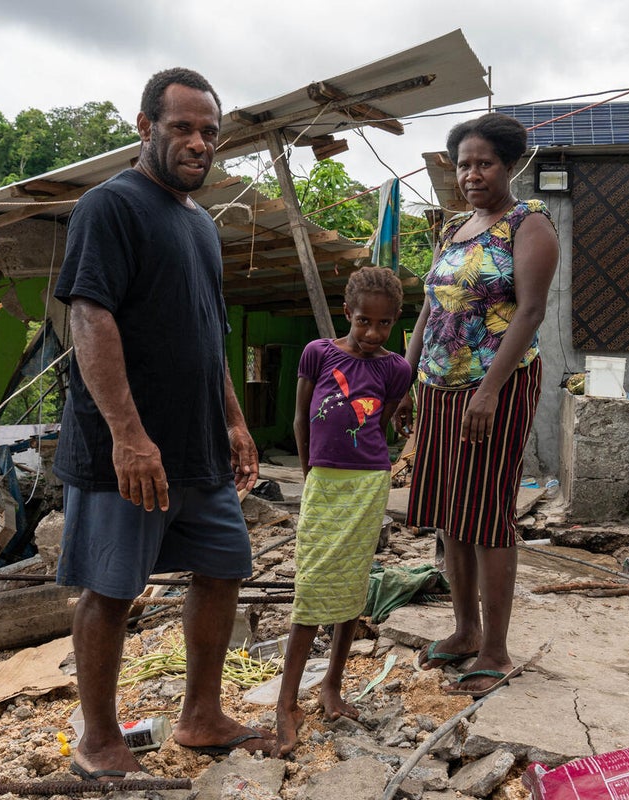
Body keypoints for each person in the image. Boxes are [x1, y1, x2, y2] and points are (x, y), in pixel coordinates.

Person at [52, 67, 271, 779]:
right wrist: (126, 433)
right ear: (145, 127)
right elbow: (89, 315)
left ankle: (200, 717)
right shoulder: (110, 207)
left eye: (209, 131)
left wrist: (235, 421)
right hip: (129, 449)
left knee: (223, 567)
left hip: (197, 445)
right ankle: (98, 740)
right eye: (182, 127)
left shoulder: (200, 225)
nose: (198, 143)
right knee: (112, 589)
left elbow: (209, 334)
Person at [392, 112, 559, 698]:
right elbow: (427, 313)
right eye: (463, 164)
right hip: (438, 389)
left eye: (483, 162)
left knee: (486, 511)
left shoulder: (529, 223)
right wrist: (403, 378)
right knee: (448, 509)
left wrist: (489, 388)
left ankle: (495, 648)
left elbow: (530, 312)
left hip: (497, 389)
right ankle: (464, 630)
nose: (471, 174)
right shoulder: (454, 231)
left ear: (509, 164)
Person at [274, 266, 415, 757]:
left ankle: (333, 685)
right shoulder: (317, 354)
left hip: (368, 484)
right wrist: (310, 472)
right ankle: (286, 701)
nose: (373, 333)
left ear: (396, 321)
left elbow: (388, 418)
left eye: (383, 325)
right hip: (324, 483)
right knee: (312, 586)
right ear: (346, 314)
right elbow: (300, 417)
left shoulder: (395, 368)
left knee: (352, 584)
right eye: (363, 322)